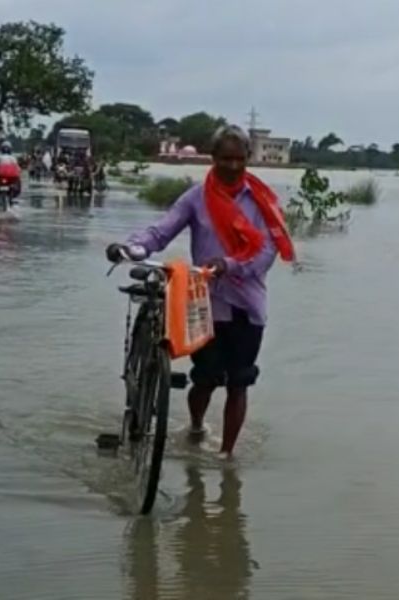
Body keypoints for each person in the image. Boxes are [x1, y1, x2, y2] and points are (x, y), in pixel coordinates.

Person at [106, 124, 295, 458]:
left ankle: (226, 455)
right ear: (213, 158)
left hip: (248, 305)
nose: (233, 166)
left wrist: (229, 265)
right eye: (225, 159)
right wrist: (134, 248)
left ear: (248, 158)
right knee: (205, 378)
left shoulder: (262, 201)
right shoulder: (196, 198)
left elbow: (266, 252)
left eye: (240, 159)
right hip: (204, 302)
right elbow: (161, 231)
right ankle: (196, 426)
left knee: (239, 382)